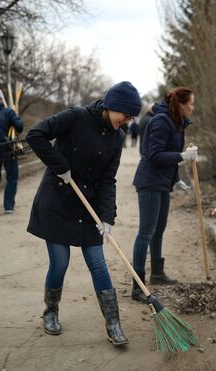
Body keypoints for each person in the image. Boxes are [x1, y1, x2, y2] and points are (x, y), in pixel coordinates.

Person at [26, 81, 142, 346]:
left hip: (86, 206)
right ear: (113, 107)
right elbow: (35, 135)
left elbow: (108, 180)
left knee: (98, 263)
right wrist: (60, 166)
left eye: (131, 118)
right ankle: (51, 311)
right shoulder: (76, 117)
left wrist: (107, 217)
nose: (127, 121)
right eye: (126, 115)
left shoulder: (117, 137)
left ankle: (113, 323)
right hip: (56, 201)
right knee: (60, 263)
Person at [131, 87, 196, 303]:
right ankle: (138, 286)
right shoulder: (160, 121)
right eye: (191, 104)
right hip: (149, 182)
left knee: (159, 228)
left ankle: (157, 273)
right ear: (180, 105)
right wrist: (182, 156)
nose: (193, 108)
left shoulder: (177, 123)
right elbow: (154, 155)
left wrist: (176, 178)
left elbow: (170, 154)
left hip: (163, 182)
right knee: (146, 232)